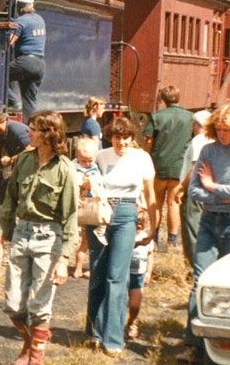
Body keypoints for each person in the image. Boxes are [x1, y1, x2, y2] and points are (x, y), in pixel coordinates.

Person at [0, 110, 78, 365]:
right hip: (21, 234)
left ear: (49, 134)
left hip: (48, 238)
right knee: (13, 304)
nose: (28, 132)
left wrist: (64, 258)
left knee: (40, 306)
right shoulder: (24, 160)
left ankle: (35, 358)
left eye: (33, 129)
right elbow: (9, 202)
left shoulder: (64, 169)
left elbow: (71, 215)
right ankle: (29, 342)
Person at [179, 104, 230, 363]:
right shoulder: (208, 149)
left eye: (227, 130)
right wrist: (222, 193)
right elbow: (194, 191)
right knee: (200, 280)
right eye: (218, 129)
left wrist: (211, 185)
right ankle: (194, 344)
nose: (222, 134)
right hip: (208, 219)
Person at [85, 116, 158, 358]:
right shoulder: (101, 156)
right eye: (117, 137)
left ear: (132, 137)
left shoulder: (142, 158)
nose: (121, 142)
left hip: (128, 215)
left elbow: (149, 194)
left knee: (117, 276)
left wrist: (153, 227)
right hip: (101, 213)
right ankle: (93, 333)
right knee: (97, 272)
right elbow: (86, 181)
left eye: (126, 137)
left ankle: (113, 339)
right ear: (110, 137)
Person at [142, 85, 193, 247]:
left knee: (156, 202)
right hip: (179, 168)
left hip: (158, 166)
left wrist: (145, 160)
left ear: (163, 100)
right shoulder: (190, 117)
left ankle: (155, 237)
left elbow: (148, 141)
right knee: (174, 203)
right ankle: (172, 239)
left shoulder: (156, 117)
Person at [172, 109, 212, 271]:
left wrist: (181, 188)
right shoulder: (212, 139)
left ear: (195, 125)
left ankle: (195, 268)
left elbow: (194, 167)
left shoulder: (198, 140)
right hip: (208, 191)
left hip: (194, 190)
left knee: (191, 230)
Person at [4, 0, 46, 121]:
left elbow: (10, 41)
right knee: (30, 102)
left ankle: (13, 102)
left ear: (20, 8)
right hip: (40, 64)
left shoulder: (21, 21)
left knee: (0, 74)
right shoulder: (40, 19)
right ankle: (32, 128)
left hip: (26, 62)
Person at [72, 136, 103, 279]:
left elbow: (99, 184)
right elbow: (73, 185)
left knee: (90, 240)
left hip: (92, 205)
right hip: (80, 205)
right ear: (77, 156)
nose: (87, 164)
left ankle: (91, 268)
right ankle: (78, 268)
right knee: (83, 240)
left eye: (90, 160)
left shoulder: (95, 168)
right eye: (83, 161)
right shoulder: (74, 167)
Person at [0, 108, 31, 201]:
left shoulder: (16, 129)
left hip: (30, 168)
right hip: (20, 167)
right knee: (4, 192)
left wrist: (11, 160)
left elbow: (31, 150)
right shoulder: (1, 131)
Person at [124, 207, 155, 341]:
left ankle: (132, 321)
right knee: (121, 302)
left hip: (138, 275)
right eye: (136, 223)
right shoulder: (125, 236)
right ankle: (120, 324)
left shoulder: (147, 239)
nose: (138, 226)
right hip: (125, 274)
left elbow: (150, 256)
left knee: (135, 305)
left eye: (141, 223)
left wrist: (148, 272)